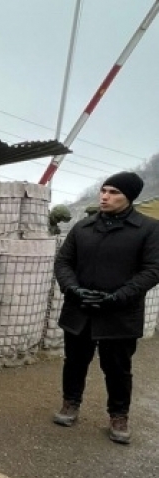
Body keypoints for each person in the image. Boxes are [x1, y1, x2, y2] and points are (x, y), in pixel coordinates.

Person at [53, 171, 159, 444]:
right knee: (74, 361)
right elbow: (63, 262)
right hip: (80, 309)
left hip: (120, 313)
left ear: (129, 197)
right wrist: (73, 289)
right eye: (104, 190)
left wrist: (117, 297)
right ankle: (70, 403)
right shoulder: (83, 227)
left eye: (114, 192)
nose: (105, 197)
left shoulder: (148, 229)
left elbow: (152, 270)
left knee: (117, 368)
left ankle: (119, 416)